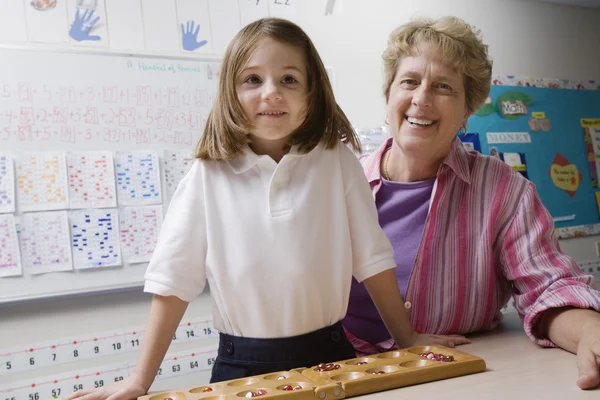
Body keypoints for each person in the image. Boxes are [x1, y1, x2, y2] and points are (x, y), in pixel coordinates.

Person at [66, 18, 462, 400]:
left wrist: (408, 338)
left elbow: (373, 261)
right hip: (241, 366)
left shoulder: (337, 162)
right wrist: (140, 379)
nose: (271, 92)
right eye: (253, 79)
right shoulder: (206, 176)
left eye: (289, 79)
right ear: (230, 92)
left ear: (312, 94)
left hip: (332, 356)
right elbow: (173, 284)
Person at [343, 16, 600, 390]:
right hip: (344, 376)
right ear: (388, 95)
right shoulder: (341, 184)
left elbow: (549, 288)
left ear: (467, 111)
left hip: (456, 381)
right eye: (410, 81)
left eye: (443, 87)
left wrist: (592, 333)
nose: (421, 99)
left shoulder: (504, 190)